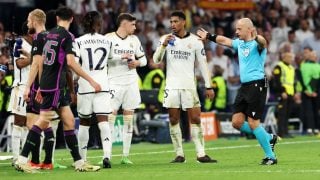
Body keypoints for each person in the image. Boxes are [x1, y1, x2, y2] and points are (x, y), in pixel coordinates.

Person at [15, 6, 101, 173]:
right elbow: (70, 62)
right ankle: (22, 159)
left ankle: (79, 163)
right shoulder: (67, 36)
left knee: (69, 121)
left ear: (56, 19)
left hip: (52, 84)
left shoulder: (45, 35)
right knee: (43, 120)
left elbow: (37, 63)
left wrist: (37, 87)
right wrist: (91, 80)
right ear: (72, 19)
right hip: (54, 85)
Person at [197, 17, 278, 165]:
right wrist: (209, 36)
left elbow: (263, 42)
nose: (236, 31)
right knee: (236, 123)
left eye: (239, 29)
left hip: (257, 85)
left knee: (253, 122)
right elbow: (224, 40)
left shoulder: (257, 44)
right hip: (244, 86)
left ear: (249, 29)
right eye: (236, 28)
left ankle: (271, 156)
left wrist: (256, 35)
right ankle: (268, 137)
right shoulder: (239, 44)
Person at [153, 11, 217, 163]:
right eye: (171, 22)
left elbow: (203, 64)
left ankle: (201, 154)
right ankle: (179, 154)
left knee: (195, 118)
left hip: (189, 86)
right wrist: (163, 45)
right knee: (173, 119)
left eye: (175, 21)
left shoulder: (195, 40)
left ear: (183, 22)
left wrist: (209, 86)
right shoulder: (166, 39)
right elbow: (156, 60)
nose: (172, 24)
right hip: (172, 86)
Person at [105, 13, 147, 164]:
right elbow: (102, 59)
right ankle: (107, 156)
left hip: (131, 83)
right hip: (113, 82)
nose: (135, 27)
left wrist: (137, 63)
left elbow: (144, 60)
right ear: (124, 24)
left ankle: (125, 156)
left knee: (129, 119)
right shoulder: (108, 38)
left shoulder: (134, 40)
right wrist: (119, 57)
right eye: (133, 24)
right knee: (110, 118)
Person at [74, 11, 112, 168]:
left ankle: (82, 159)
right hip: (102, 85)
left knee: (84, 122)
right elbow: (109, 61)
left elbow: (74, 64)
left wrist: (74, 81)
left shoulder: (78, 41)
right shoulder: (107, 41)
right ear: (98, 23)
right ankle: (107, 156)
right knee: (103, 121)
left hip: (85, 86)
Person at [8, 22, 32, 165]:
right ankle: (16, 157)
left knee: (28, 124)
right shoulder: (19, 43)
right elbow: (19, 64)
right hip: (21, 87)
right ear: (30, 31)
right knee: (19, 122)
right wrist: (34, 58)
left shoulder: (36, 44)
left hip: (32, 88)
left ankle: (24, 157)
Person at [271, 52, 295, 138]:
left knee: (288, 113)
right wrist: (282, 91)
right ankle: (281, 132)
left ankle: (286, 131)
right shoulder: (279, 66)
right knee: (282, 113)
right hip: (283, 92)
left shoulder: (291, 68)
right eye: (289, 57)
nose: (291, 59)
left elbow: (292, 82)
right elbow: (276, 81)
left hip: (290, 92)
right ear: (283, 57)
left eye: (291, 57)